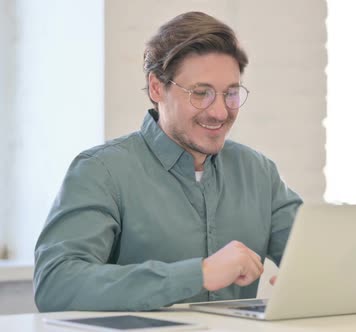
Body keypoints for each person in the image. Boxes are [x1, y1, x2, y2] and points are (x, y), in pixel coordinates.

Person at [33, 11, 302, 312]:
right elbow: (55, 284)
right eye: (201, 94)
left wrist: (315, 278)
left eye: (231, 94)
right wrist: (198, 275)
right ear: (156, 87)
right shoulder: (101, 171)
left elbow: (321, 254)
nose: (220, 112)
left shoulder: (259, 173)